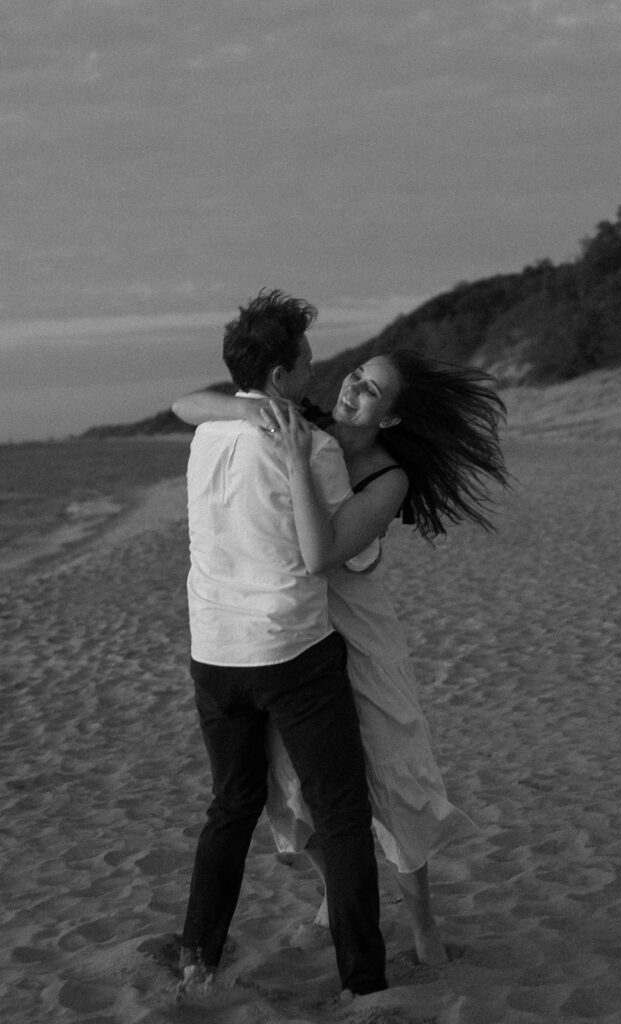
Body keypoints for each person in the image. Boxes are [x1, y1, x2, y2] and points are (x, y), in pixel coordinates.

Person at [173, 344, 508, 966]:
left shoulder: (388, 478)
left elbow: (323, 556)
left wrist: (295, 457)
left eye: (372, 390)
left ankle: (424, 925)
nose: (352, 388)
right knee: (288, 786)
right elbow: (185, 404)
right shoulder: (306, 420)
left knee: (392, 779)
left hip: (358, 641)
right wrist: (253, 415)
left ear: (391, 419)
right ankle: (335, 894)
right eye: (356, 375)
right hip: (293, 641)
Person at [179, 289, 387, 999]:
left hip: (213, 652)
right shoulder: (318, 448)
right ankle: (363, 981)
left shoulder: (207, 434)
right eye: (304, 363)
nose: (314, 373)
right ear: (278, 378)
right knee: (340, 811)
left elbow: (192, 403)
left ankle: (196, 958)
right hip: (290, 652)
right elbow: (318, 555)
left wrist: (234, 408)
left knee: (230, 805)